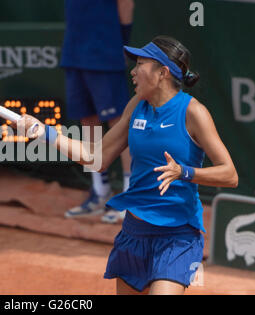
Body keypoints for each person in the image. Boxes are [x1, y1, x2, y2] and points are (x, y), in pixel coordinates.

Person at [20, 35, 239, 295]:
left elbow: (230, 174)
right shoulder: (136, 106)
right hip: (134, 234)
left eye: (141, 64)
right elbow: (97, 158)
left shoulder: (194, 113)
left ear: (162, 73)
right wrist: (45, 132)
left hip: (177, 237)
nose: (133, 71)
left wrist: (184, 172)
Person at [60, 0, 135, 224]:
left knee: (119, 125)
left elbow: (126, 4)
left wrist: (122, 40)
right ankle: (99, 191)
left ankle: (130, 197)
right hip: (74, 52)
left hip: (105, 50)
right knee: (88, 122)